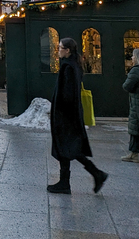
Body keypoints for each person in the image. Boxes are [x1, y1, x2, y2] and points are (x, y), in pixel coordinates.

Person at [47, 37, 108, 195]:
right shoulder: (73, 65)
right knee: (68, 148)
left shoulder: (68, 67)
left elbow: (67, 94)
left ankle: (89, 175)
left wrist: (60, 111)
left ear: (67, 50)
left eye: (60, 47)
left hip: (66, 115)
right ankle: (72, 180)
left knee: (67, 147)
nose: (58, 50)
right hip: (70, 114)